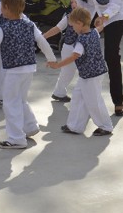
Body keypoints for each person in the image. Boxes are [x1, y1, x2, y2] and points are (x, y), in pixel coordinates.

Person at [0, 0, 57, 149]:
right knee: (21, 99)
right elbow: (42, 41)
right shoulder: (30, 25)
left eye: (2, 7)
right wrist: (51, 59)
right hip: (29, 68)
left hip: (13, 71)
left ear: (7, 8)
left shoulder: (3, 28)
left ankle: (16, 138)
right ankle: (30, 126)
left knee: (10, 103)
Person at [65, 0, 123, 117]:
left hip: (113, 13)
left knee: (111, 56)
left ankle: (118, 101)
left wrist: (105, 16)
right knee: (84, 53)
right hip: (91, 12)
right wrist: (82, 21)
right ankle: (87, 99)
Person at [48, 7, 113, 137]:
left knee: (94, 100)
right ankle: (75, 126)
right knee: (78, 97)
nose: (72, 28)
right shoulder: (94, 32)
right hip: (89, 74)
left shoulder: (81, 41)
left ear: (79, 23)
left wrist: (57, 65)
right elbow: (100, 28)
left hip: (91, 75)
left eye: (73, 26)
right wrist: (102, 21)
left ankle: (105, 126)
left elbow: (74, 56)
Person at [42, 0, 80, 103]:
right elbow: (57, 28)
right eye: (72, 2)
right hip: (69, 48)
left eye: (76, 2)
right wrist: (43, 37)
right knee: (67, 72)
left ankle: (63, 92)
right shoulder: (68, 17)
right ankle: (59, 92)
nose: (73, 4)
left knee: (83, 72)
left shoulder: (88, 15)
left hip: (82, 48)